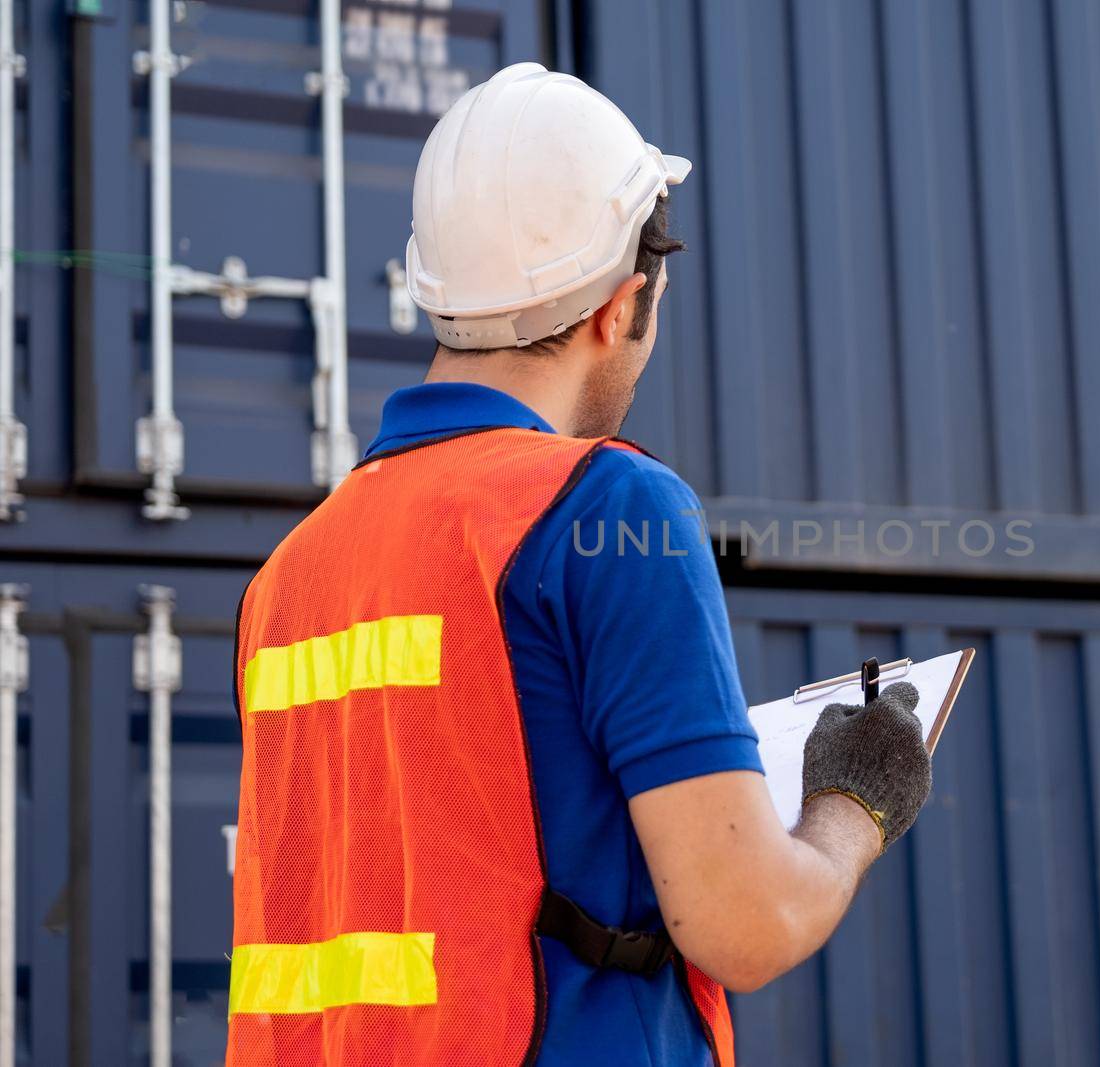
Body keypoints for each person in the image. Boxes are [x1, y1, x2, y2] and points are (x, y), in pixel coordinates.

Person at [225, 63, 933, 1066]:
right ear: (622, 306)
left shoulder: (290, 572)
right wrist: (853, 801)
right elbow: (747, 921)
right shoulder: (608, 506)